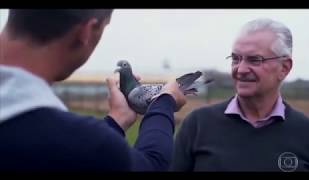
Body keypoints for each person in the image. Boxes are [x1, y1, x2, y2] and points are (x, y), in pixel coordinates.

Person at [0, 9, 186, 171]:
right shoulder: (72, 141)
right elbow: (150, 165)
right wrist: (164, 101)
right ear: (87, 31)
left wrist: (117, 119)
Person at [170, 18, 309, 171]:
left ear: (284, 68)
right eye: (236, 59)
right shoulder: (197, 125)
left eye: (254, 60)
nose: (240, 69)